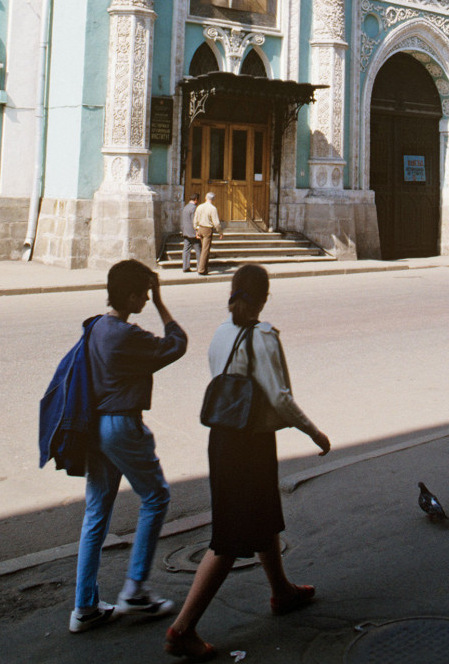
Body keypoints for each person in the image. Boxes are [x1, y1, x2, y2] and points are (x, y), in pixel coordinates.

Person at [165, 263, 330, 661]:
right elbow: (280, 398)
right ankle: (182, 629)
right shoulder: (263, 336)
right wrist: (313, 432)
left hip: (223, 438)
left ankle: (282, 591)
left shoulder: (222, 332)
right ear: (265, 297)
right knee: (228, 539)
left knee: (263, 515)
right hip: (250, 444)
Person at [70, 261, 187, 633]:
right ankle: (135, 588)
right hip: (121, 424)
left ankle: (84, 606)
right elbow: (177, 344)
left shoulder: (96, 327)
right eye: (144, 294)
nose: (147, 298)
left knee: (96, 514)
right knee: (156, 497)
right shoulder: (126, 335)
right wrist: (163, 304)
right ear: (134, 296)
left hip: (95, 427)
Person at [195, 191, 224, 276]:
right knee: (205, 250)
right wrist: (220, 232)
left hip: (200, 228)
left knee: (203, 249)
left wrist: (196, 230)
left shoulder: (199, 207)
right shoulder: (212, 208)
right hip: (207, 229)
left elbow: (195, 220)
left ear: (205, 198)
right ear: (213, 199)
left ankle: (202, 267)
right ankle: (201, 269)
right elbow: (216, 222)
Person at [182, 193, 201, 274]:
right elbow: (194, 221)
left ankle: (185, 267)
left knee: (186, 250)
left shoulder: (185, 207)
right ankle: (200, 267)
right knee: (199, 250)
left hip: (186, 232)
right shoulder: (194, 208)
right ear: (196, 199)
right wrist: (197, 231)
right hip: (193, 233)